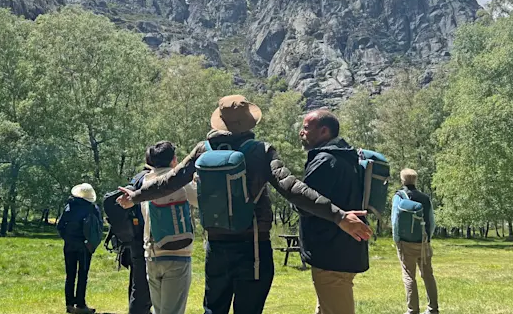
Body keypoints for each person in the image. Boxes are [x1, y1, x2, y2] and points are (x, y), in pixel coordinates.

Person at [118, 95, 372, 314]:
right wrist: (339, 216)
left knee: (214, 308)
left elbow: (170, 180)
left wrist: (135, 195)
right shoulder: (260, 151)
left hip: (215, 247)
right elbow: (293, 189)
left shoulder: (203, 150)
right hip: (254, 248)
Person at [297, 109, 369, 314]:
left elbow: (303, 203)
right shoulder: (345, 157)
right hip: (342, 248)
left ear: (324, 131)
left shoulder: (326, 161)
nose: (302, 133)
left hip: (331, 252)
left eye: (306, 128)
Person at [140, 141, 198, 314]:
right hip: (177, 254)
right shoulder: (179, 181)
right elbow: (200, 200)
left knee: (159, 311)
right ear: (174, 160)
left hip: (151, 253)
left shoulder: (146, 183)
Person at [392, 169, 439, 314]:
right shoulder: (425, 198)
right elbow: (431, 220)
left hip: (406, 243)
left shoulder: (399, 196)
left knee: (409, 276)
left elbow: (395, 222)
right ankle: (433, 308)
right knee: (428, 275)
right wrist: (428, 239)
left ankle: (412, 310)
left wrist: (397, 240)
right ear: (415, 180)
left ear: (402, 180)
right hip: (424, 243)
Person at [58, 183, 103, 314]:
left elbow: (60, 226)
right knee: (82, 275)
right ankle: (81, 304)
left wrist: (67, 238)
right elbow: (98, 228)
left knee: (70, 275)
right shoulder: (92, 208)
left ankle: (69, 304)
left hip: (69, 245)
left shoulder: (69, 207)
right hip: (85, 246)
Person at [127, 167, 154, 314]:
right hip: (143, 238)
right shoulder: (149, 179)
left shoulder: (137, 178)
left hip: (134, 237)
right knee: (142, 285)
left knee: (137, 281)